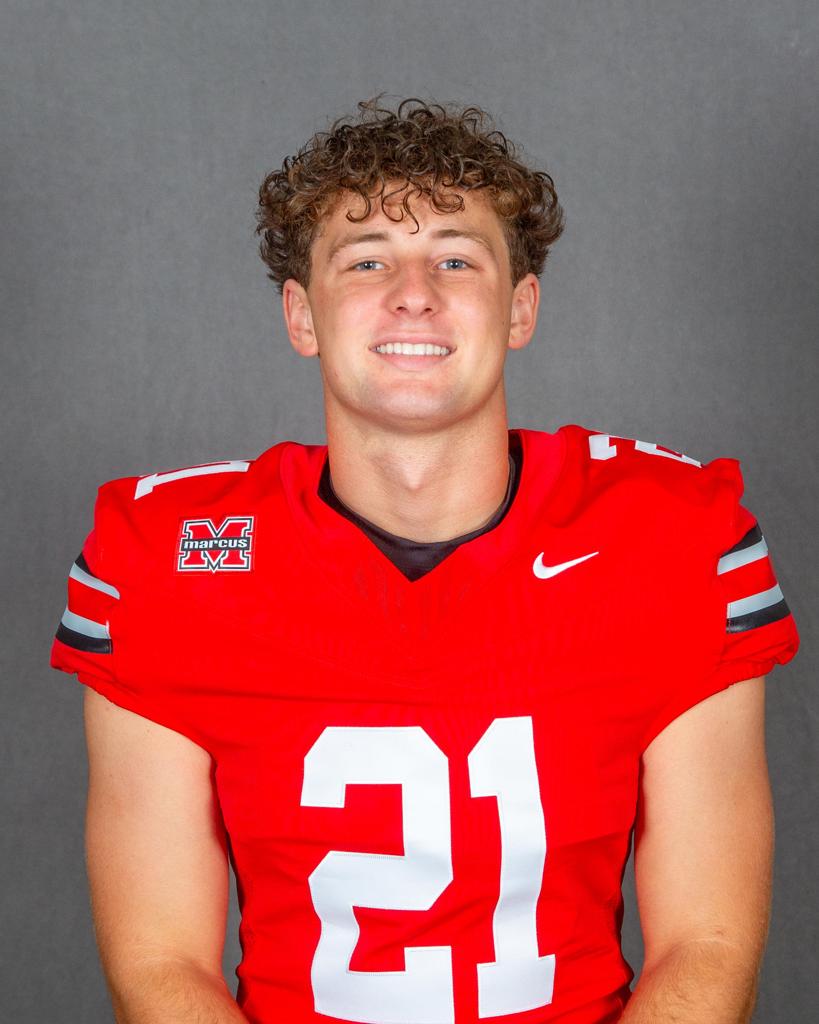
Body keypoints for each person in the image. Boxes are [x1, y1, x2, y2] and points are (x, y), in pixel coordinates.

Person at [51, 96, 800, 1024]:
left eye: (455, 258)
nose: (414, 293)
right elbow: (160, 963)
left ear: (520, 308)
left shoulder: (672, 535)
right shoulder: (165, 560)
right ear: (301, 316)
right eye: (366, 261)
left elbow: (707, 947)